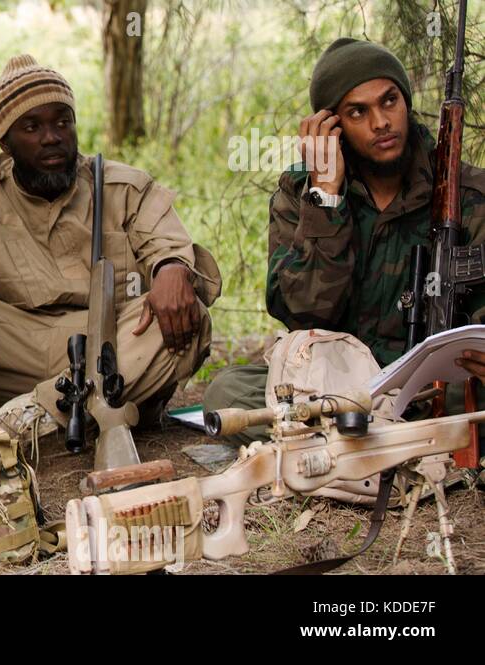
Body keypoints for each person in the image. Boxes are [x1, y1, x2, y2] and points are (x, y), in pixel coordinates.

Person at [204, 39, 485, 444]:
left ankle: (351, 442)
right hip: (335, 381)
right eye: (358, 112)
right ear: (330, 126)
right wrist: (326, 198)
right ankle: (390, 440)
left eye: (390, 101)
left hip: (433, 388)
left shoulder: (464, 193)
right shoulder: (301, 195)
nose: (381, 122)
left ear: (405, 103)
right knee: (226, 393)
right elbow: (304, 316)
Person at [0, 54, 221, 431]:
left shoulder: (121, 187)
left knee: (189, 316)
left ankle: (29, 418)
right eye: (32, 127)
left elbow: (168, 243)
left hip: (108, 349)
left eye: (62, 122)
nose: (52, 138)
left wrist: (172, 268)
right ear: (6, 142)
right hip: (7, 347)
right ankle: (79, 410)